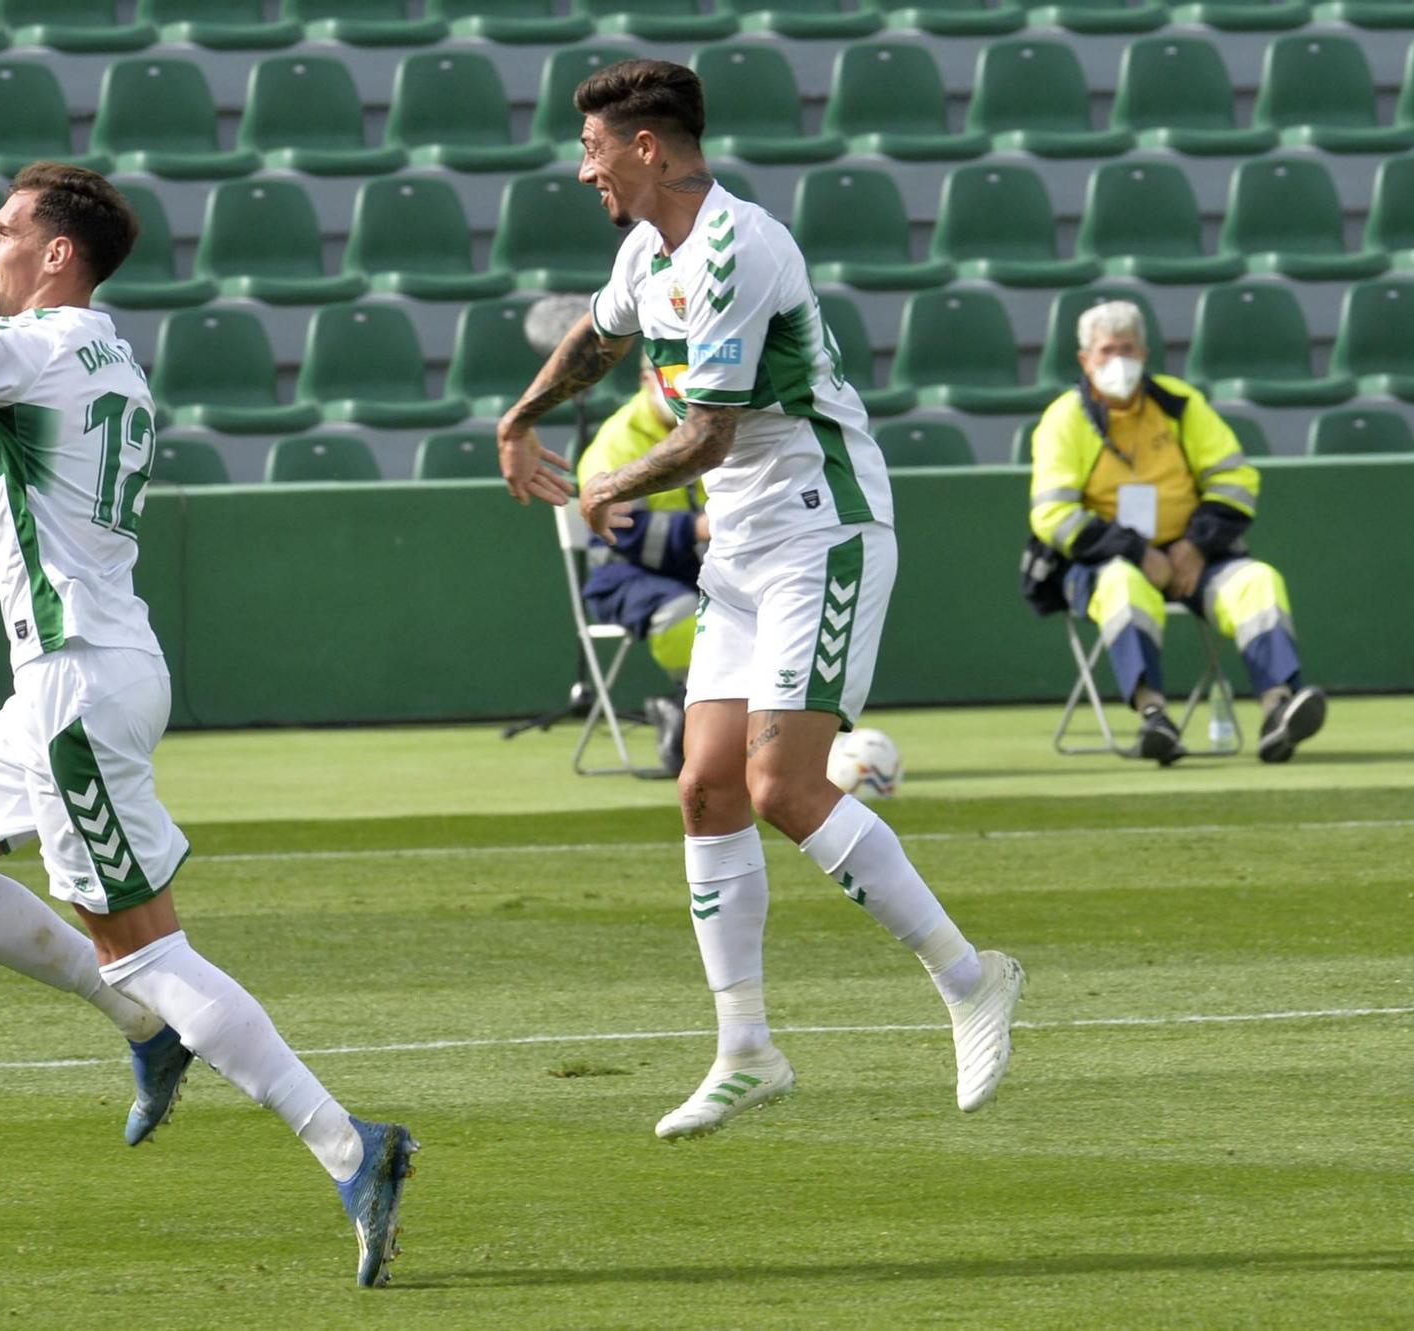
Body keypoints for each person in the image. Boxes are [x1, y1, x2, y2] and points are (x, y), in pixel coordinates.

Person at [0, 164, 414, 1287]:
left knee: (150, 944)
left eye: (1, 232)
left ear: (57, 255)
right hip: (66, 679)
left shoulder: (31, 345)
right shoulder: (98, 351)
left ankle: (350, 1143)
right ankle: (144, 1024)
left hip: (75, 685)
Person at [495, 60, 1025, 1141]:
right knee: (702, 785)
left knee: (783, 785)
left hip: (819, 529)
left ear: (647, 146)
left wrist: (605, 482)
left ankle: (971, 978)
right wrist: (519, 417)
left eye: (593, 145)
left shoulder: (740, 247)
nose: (582, 165)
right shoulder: (648, 248)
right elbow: (600, 336)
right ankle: (746, 1049)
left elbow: (708, 432)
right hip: (742, 544)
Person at [1029, 302, 1328, 764]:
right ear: (1085, 359)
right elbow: (1052, 514)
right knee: (1124, 586)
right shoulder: (1064, 419)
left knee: (1257, 581)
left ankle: (1278, 711)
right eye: (1106, 351)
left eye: (1127, 348)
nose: (1118, 360)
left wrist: (1194, 546)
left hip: (1194, 557)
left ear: (1145, 352)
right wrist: (1137, 552)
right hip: (1101, 563)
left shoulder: (1181, 404)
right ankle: (1154, 717)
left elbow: (1236, 480)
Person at [576, 372, 707, 774]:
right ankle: (693, 707)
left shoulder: (714, 424)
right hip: (624, 577)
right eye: (675, 378)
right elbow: (622, 533)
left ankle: (703, 719)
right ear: (646, 378)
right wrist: (698, 528)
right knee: (685, 611)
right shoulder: (616, 442)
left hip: (701, 566)